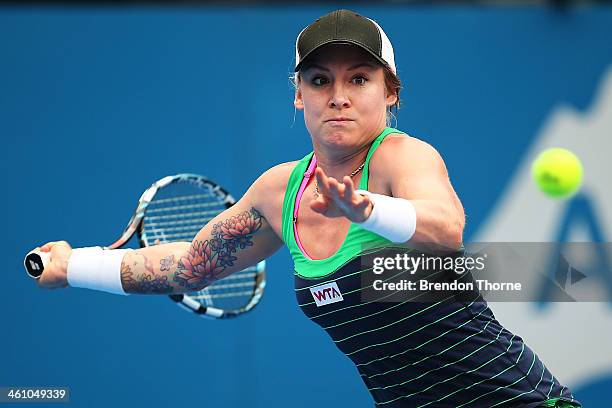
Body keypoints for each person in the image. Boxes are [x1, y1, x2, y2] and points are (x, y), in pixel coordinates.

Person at [34, 9, 580, 408]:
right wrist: (74, 266)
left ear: (390, 92)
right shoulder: (278, 192)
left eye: (358, 80)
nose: (337, 95)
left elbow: (446, 229)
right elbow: (192, 267)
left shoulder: (402, 156)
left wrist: (369, 211)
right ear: (298, 95)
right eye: (319, 81)